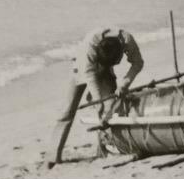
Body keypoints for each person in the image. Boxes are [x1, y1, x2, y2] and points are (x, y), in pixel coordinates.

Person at [49, 27, 144, 164]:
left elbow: (138, 63)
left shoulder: (127, 39)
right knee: (67, 111)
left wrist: (124, 84)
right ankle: (53, 157)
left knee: (110, 108)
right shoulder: (90, 45)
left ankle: (105, 149)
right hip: (82, 65)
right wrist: (98, 101)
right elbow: (89, 75)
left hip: (104, 67)